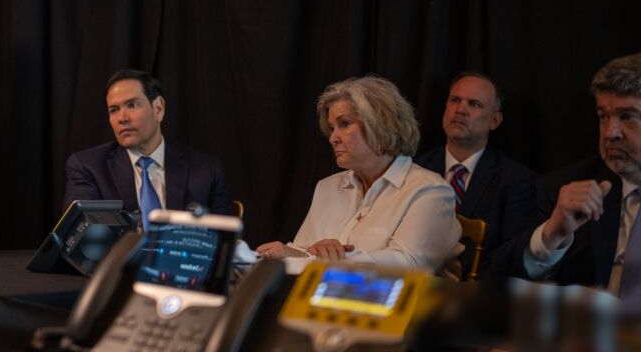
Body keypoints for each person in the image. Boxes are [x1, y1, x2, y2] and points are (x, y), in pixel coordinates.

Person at [258, 75, 459, 269]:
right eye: (332, 128)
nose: (333, 138)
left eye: (344, 124)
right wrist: (287, 253)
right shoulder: (328, 187)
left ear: (380, 124)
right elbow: (307, 251)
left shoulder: (430, 191)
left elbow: (409, 264)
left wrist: (335, 258)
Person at [490, 53, 641, 298]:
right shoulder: (565, 188)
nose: (610, 133)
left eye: (628, 117)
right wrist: (552, 235)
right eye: (603, 116)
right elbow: (500, 277)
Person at [65, 69, 232, 228]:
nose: (122, 118)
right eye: (114, 110)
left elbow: (224, 237)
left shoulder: (207, 170)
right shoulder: (89, 167)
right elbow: (80, 233)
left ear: (158, 109)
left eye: (132, 105)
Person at [414, 72, 536, 272]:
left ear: (494, 121)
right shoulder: (416, 168)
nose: (460, 109)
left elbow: (511, 257)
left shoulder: (516, 180)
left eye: (474, 104)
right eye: (455, 100)